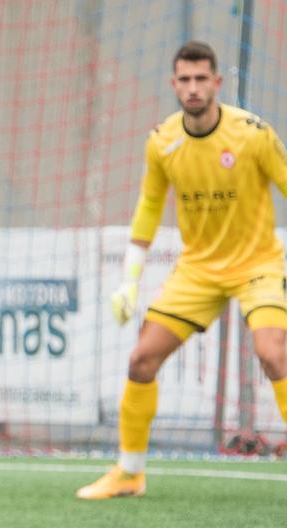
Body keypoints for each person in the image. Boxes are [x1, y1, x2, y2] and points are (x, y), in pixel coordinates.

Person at [78, 40, 287, 499]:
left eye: (201, 79)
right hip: (198, 271)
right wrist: (129, 278)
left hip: (257, 264)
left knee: (274, 354)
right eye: (184, 80)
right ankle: (130, 473)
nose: (193, 88)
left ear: (217, 82)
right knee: (141, 360)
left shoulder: (253, 134)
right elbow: (150, 205)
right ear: (174, 84)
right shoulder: (162, 141)